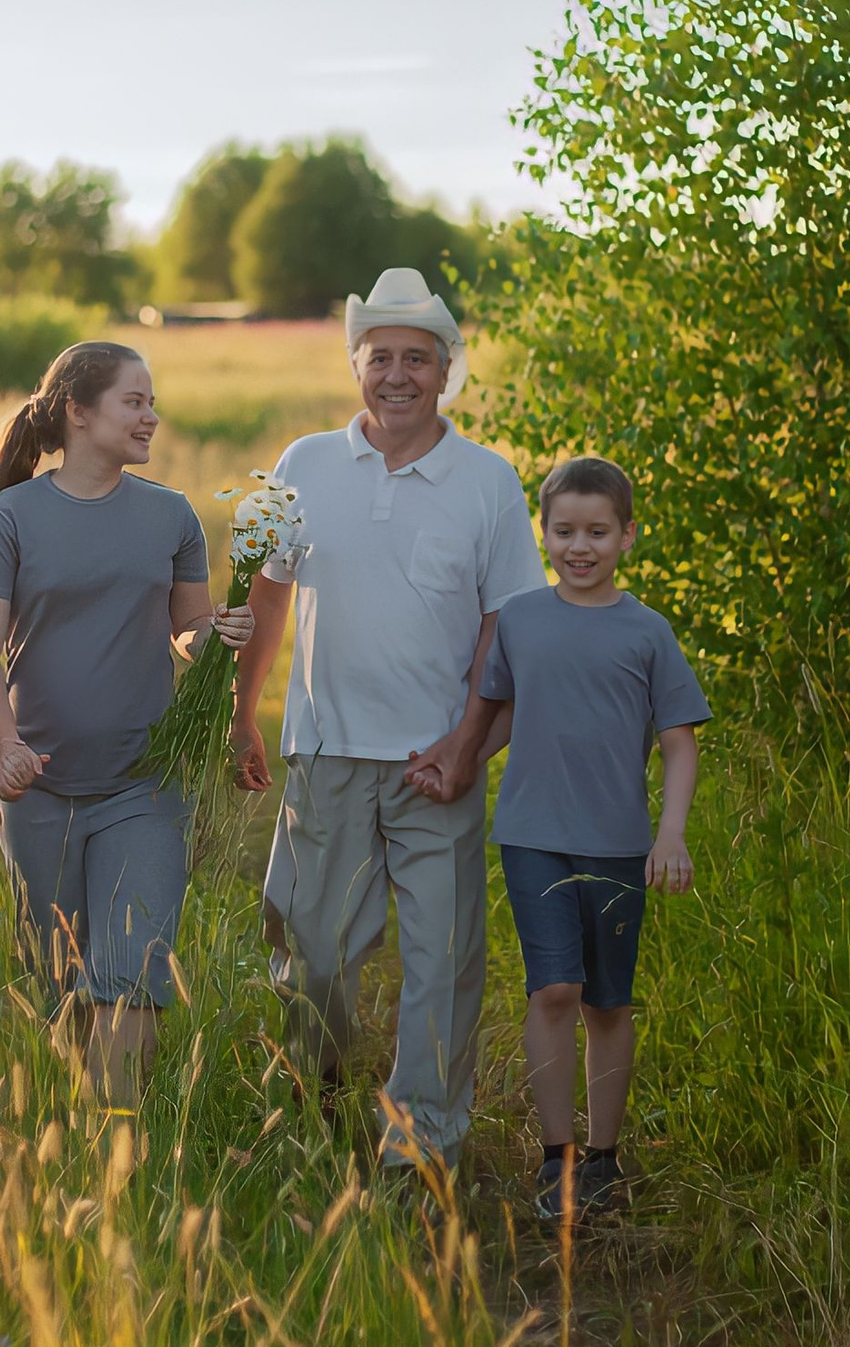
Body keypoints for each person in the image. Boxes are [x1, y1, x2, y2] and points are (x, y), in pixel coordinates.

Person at [231, 266, 545, 1175]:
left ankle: (421, 1151)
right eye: (381, 358)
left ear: (446, 371)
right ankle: (320, 1090)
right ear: (355, 366)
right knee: (314, 956)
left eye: (418, 358)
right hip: (325, 752)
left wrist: (468, 745)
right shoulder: (304, 463)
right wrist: (247, 711)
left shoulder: (488, 482)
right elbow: (268, 591)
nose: (398, 374)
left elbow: (505, 625)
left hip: (435, 761)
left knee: (441, 968)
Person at [0, 341, 253, 1108]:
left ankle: (114, 1152)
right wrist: (5, 746)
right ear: (78, 413)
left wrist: (220, 632)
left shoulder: (171, 514)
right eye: (135, 401)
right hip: (38, 787)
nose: (152, 415)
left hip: (143, 786)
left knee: (131, 976)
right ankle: (78, 1148)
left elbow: (187, 630)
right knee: (60, 982)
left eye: (153, 401)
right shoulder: (9, 518)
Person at [449, 455, 708, 1219]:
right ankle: (555, 1156)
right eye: (564, 531)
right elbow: (493, 715)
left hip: (620, 843)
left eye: (598, 531)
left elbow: (681, 742)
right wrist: (452, 763)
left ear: (628, 535)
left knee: (607, 1002)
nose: (580, 546)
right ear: (546, 532)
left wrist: (672, 835)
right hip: (533, 834)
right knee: (555, 987)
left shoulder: (647, 632)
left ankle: (604, 1156)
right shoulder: (523, 619)